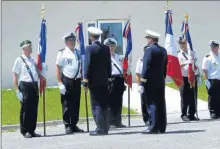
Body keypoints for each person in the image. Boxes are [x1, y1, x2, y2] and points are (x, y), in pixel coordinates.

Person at [12, 40, 46, 138]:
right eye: (29, 47)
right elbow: (15, 75)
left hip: (34, 85)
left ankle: (32, 130)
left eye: (31, 46)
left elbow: (37, 73)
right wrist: (17, 90)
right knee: (25, 109)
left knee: (33, 108)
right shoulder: (19, 60)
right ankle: (25, 130)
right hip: (25, 86)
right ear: (24, 49)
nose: (31, 48)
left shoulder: (32, 60)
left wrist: (43, 71)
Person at [82, 27, 112, 136]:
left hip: (94, 81)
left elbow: (87, 65)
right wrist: (108, 78)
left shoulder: (90, 48)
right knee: (104, 104)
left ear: (91, 36)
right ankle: (106, 127)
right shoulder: (105, 48)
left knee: (96, 105)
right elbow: (109, 65)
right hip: (104, 80)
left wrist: (85, 81)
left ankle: (100, 128)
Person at [138, 30, 168, 134]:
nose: (147, 41)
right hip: (160, 81)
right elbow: (165, 67)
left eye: (147, 39)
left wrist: (142, 83)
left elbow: (146, 67)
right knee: (161, 104)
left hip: (150, 82)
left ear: (150, 39)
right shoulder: (163, 50)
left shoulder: (149, 50)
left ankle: (153, 127)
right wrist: (162, 78)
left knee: (151, 104)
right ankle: (161, 126)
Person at [56, 32, 84, 134]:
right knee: (67, 104)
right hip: (67, 81)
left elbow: (82, 67)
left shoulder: (78, 52)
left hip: (77, 81)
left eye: (74, 41)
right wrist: (60, 83)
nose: (72, 42)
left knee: (76, 103)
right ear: (66, 42)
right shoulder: (62, 53)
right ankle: (67, 125)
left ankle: (74, 124)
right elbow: (58, 69)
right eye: (70, 41)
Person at [103, 38, 126, 128]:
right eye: (109, 46)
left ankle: (118, 121)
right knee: (109, 102)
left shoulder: (120, 57)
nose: (111, 48)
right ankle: (110, 121)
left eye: (112, 46)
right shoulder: (104, 58)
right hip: (110, 80)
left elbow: (124, 69)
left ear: (115, 47)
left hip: (119, 80)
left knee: (118, 102)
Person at [177, 36, 200, 121]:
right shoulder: (178, 54)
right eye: (180, 43)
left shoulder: (192, 53)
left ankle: (192, 114)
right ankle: (184, 114)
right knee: (184, 96)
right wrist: (187, 62)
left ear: (187, 43)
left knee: (193, 96)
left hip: (192, 77)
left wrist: (196, 69)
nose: (182, 45)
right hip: (183, 78)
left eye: (183, 43)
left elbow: (196, 62)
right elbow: (178, 65)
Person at [202, 40, 220, 119]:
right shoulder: (208, 57)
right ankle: (213, 112)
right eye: (212, 47)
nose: (213, 48)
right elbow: (204, 71)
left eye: (215, 46)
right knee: (212, 97)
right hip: (212, 80)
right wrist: (206, 82)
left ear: (218, 47)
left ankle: (218, 112)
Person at [136, 44, 149, 125]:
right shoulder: (140, 60)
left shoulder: (153, 59)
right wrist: (139, 85)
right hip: (143, 83)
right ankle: (146, 119)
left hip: (151, 82)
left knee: (151, 101)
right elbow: (137, 73)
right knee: (144, 102)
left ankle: (152, 118)